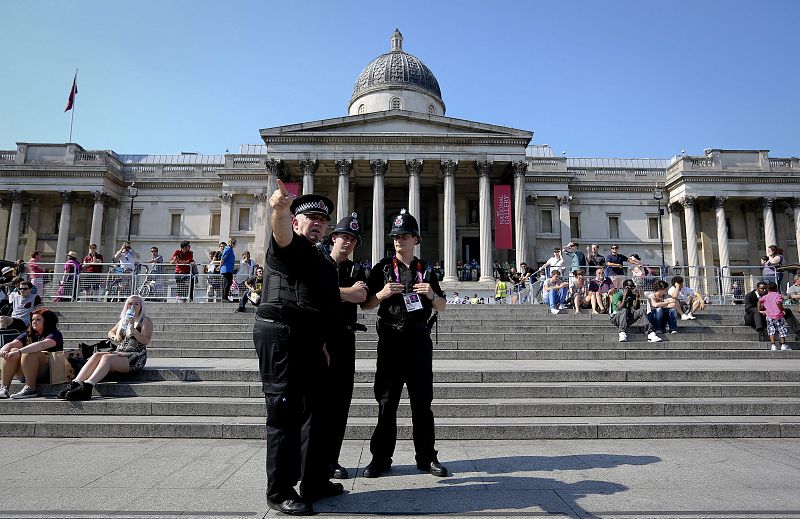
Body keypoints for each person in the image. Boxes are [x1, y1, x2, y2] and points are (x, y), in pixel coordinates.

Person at [253, 181, 342, 515]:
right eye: (310, 218)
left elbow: (320, 305)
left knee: (318, 412)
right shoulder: (288, 245)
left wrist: (323, 343)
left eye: (322, 219)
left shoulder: (320, 259)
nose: (317, 223)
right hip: (280, 336)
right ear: (296, 222)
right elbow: (279, 233)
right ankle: (279, 491)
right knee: (284, 413)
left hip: (307, 340)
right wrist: (278, 210)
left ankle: (314, 480)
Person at [361, 209, 448, 480]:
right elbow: (366, 305)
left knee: (422, 404)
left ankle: (427, 458)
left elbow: (443, 306)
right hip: (390, 342)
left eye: (404, 236)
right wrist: (381, 294)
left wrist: (431, 294)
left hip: (419, 341)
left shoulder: (428, 269)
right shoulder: (382, 268)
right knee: (387, 403)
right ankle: (380, 458)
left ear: (416, 239)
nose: (399, 241)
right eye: (396, 236)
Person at [325, 213, 368, 480]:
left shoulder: (356, 270)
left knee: (340, 404)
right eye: (345, 236)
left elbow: (362, 295)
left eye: (353, 239)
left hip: (346, 339)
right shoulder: (318, 264)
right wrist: (344, 292)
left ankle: (331, 459)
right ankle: (309, 459)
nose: (348, 242)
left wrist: (329, 290)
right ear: (334, 237)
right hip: (321, 340)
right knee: (317, 404)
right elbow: (310, 291)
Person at [61, 295, 153, 400]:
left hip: (136, 356)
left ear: (141, 306)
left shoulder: (145, 320)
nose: (133, 306)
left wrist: (134, 332)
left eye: (136, 304)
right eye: (130, 303)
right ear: (126, 306)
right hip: (121, 353)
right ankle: (75, 383)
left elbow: (146, 341)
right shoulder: (124, 320)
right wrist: (115, 337)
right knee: (96, 355)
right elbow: (110, 332)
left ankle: (88, 386)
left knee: (106, 358)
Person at [0, 308, 62, 399]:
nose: (34, 322)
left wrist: (20, 351)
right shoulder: (29, 334)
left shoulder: (55, 334)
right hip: (25, 372)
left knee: (29, 353)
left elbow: (41, 345)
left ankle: (31, 388)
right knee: (12, 350)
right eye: (33, 319)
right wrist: (3, 351)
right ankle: (4, 388)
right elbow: (11, 344)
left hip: (47, 373)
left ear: (47, 321)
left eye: (38, 320)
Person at [611, 279, 660, 343]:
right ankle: (622, 332)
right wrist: (624, 296)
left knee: (641, 311)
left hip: (627, 318)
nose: (631, 288)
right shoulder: (617, 295)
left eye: (633, 286)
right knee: (624, 310)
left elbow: (636, 308)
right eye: (629, 287)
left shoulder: (632, 295)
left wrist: (637, 297)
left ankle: (650, 333)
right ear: (624, 287)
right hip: (617, 318)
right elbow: (620, 307)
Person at [758, 282, 791, 351]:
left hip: (769, 315)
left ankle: (773, 345)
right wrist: (783, 309)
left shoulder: (765, 296)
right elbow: (778, 302)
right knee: (781, 329)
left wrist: (759, 310)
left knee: (771, 330)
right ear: (776, 288)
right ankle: (783, 345)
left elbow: (759, 302)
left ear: (768, 289)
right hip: (778, 315)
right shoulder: (778, 295)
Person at [220, 238, 236, 302]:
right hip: (226, 269)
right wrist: (220, 266)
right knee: (228, 282)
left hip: (229, 269)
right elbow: (223, 258)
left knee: (226, 283)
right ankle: (224, 297)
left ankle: (224, 297)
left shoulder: (230, 249)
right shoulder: (228, 249)